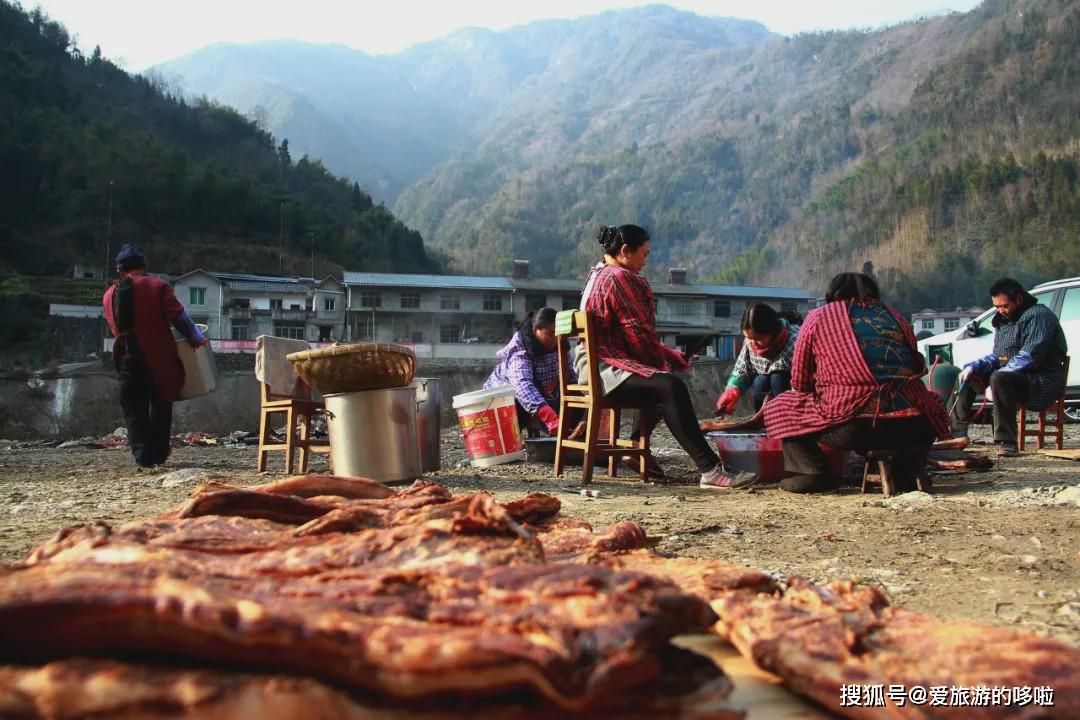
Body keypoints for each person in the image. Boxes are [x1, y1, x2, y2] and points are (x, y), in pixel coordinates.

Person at [578, 224, 755, 489]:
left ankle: (636, 450)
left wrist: (666, 356)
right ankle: (710, 468)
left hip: (592, 364)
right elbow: (638, 332)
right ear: (626, 251)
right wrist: (662, 364)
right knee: (670, 387)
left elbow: (633, 336)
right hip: (603, 370)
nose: (645, 262)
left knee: (661, 381)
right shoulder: (620, 278)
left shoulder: (598, 273)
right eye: (644, 254)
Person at [764, 272, 950, 494]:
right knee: (925, 400)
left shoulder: (818, 317)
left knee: (781, 406)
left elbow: (800, 382)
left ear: (832, 295)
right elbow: (916, 364)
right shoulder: (895, 316)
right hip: (919, 425)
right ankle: (906, 472)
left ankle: (814, 474)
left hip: (859, 427)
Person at [102, 244, 207, 468]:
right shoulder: (157, 286)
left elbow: (113, 326)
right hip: (157, 355)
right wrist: (196, 339)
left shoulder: (109, 294)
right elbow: (179, 317)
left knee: (133, 407)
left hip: (125, 357)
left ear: (120, 270)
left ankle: (143, 457)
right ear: (144, 266)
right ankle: (159, 454)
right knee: (160, 403)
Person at [950, 277, 1068, 456]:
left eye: (1004, 306)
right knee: (965, 376)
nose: (1000, 311)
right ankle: (955, 435)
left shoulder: (1039, 316)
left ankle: (1007, 441)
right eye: (996, 307)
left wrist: (995, 381)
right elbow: (998, 357)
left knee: (999, 378)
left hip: (1041, 379)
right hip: (1011, 378)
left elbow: (1030, 356)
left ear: (1019, 299)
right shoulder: (1004, 321)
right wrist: (974, 367)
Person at [483, 307, 575, 436]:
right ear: (535, 329)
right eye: (550, 334)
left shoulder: (559, 345)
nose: (555, 339)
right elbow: (522, 386)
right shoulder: (520, 350)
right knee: (516, 407)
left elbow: (570, 375)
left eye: (558, 335)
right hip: (502, 401)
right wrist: (550, 418)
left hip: (542, 394)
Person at [716, 303, 800, 415]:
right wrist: (732, 392)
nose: (753, 343)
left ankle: (786, 420)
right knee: (760, 381)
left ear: (773, 331)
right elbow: (742, 371)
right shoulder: (750, 343)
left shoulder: (797, 340)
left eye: (758, 339)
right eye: (748, 338)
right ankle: (762, 421)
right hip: (764, 392)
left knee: (777, 378)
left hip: (793, 396)